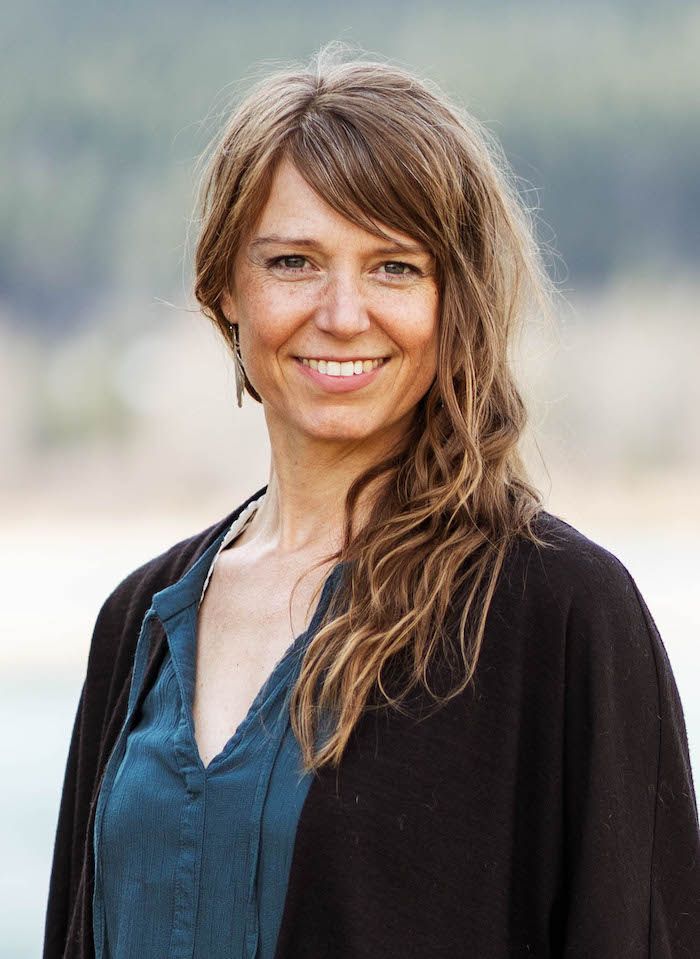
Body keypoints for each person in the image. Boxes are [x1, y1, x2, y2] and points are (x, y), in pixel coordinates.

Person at [43, 44, 699, 959]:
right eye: (294, 261)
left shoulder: (560, 613)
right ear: (225, 289)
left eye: (394, 266)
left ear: (452, 298)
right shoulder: (137, 623)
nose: (344, 313)